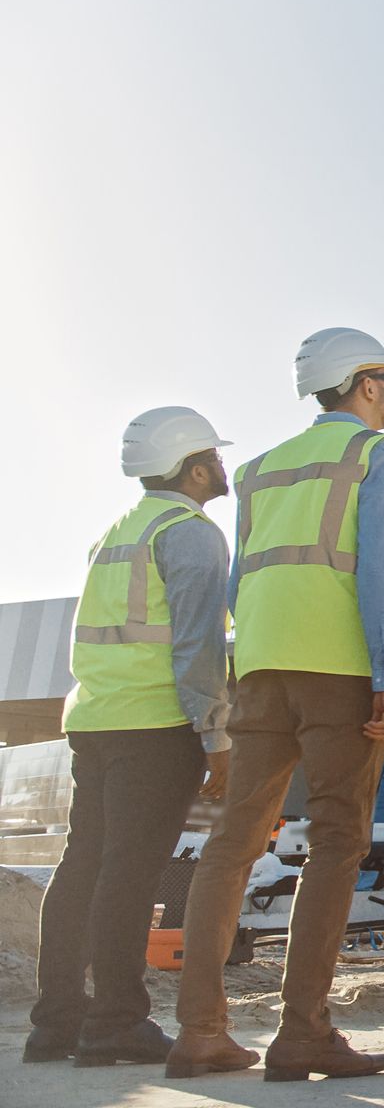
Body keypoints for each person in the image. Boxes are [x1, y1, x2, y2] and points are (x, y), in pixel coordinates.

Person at [168, 328, 384, 1082]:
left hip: (262, 669)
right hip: (337, 669)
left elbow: (244, 579)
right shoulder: (378, 455)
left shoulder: (259, 468)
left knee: (233, 844)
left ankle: (200, 1031)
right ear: (364, 386)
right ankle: (302, 1031)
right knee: (338, 840)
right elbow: (381, 571)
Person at [24, 409, 235, 1068]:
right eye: (214, 456)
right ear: (195, 467)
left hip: (95, 720)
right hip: (155, 724)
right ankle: (116, 1020)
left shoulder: (114, 533)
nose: (222, 467)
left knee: (81, 866)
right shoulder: (191, 535)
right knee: (130, 874)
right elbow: (198, 646)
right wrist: (215, 733)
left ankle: (56, 1024)